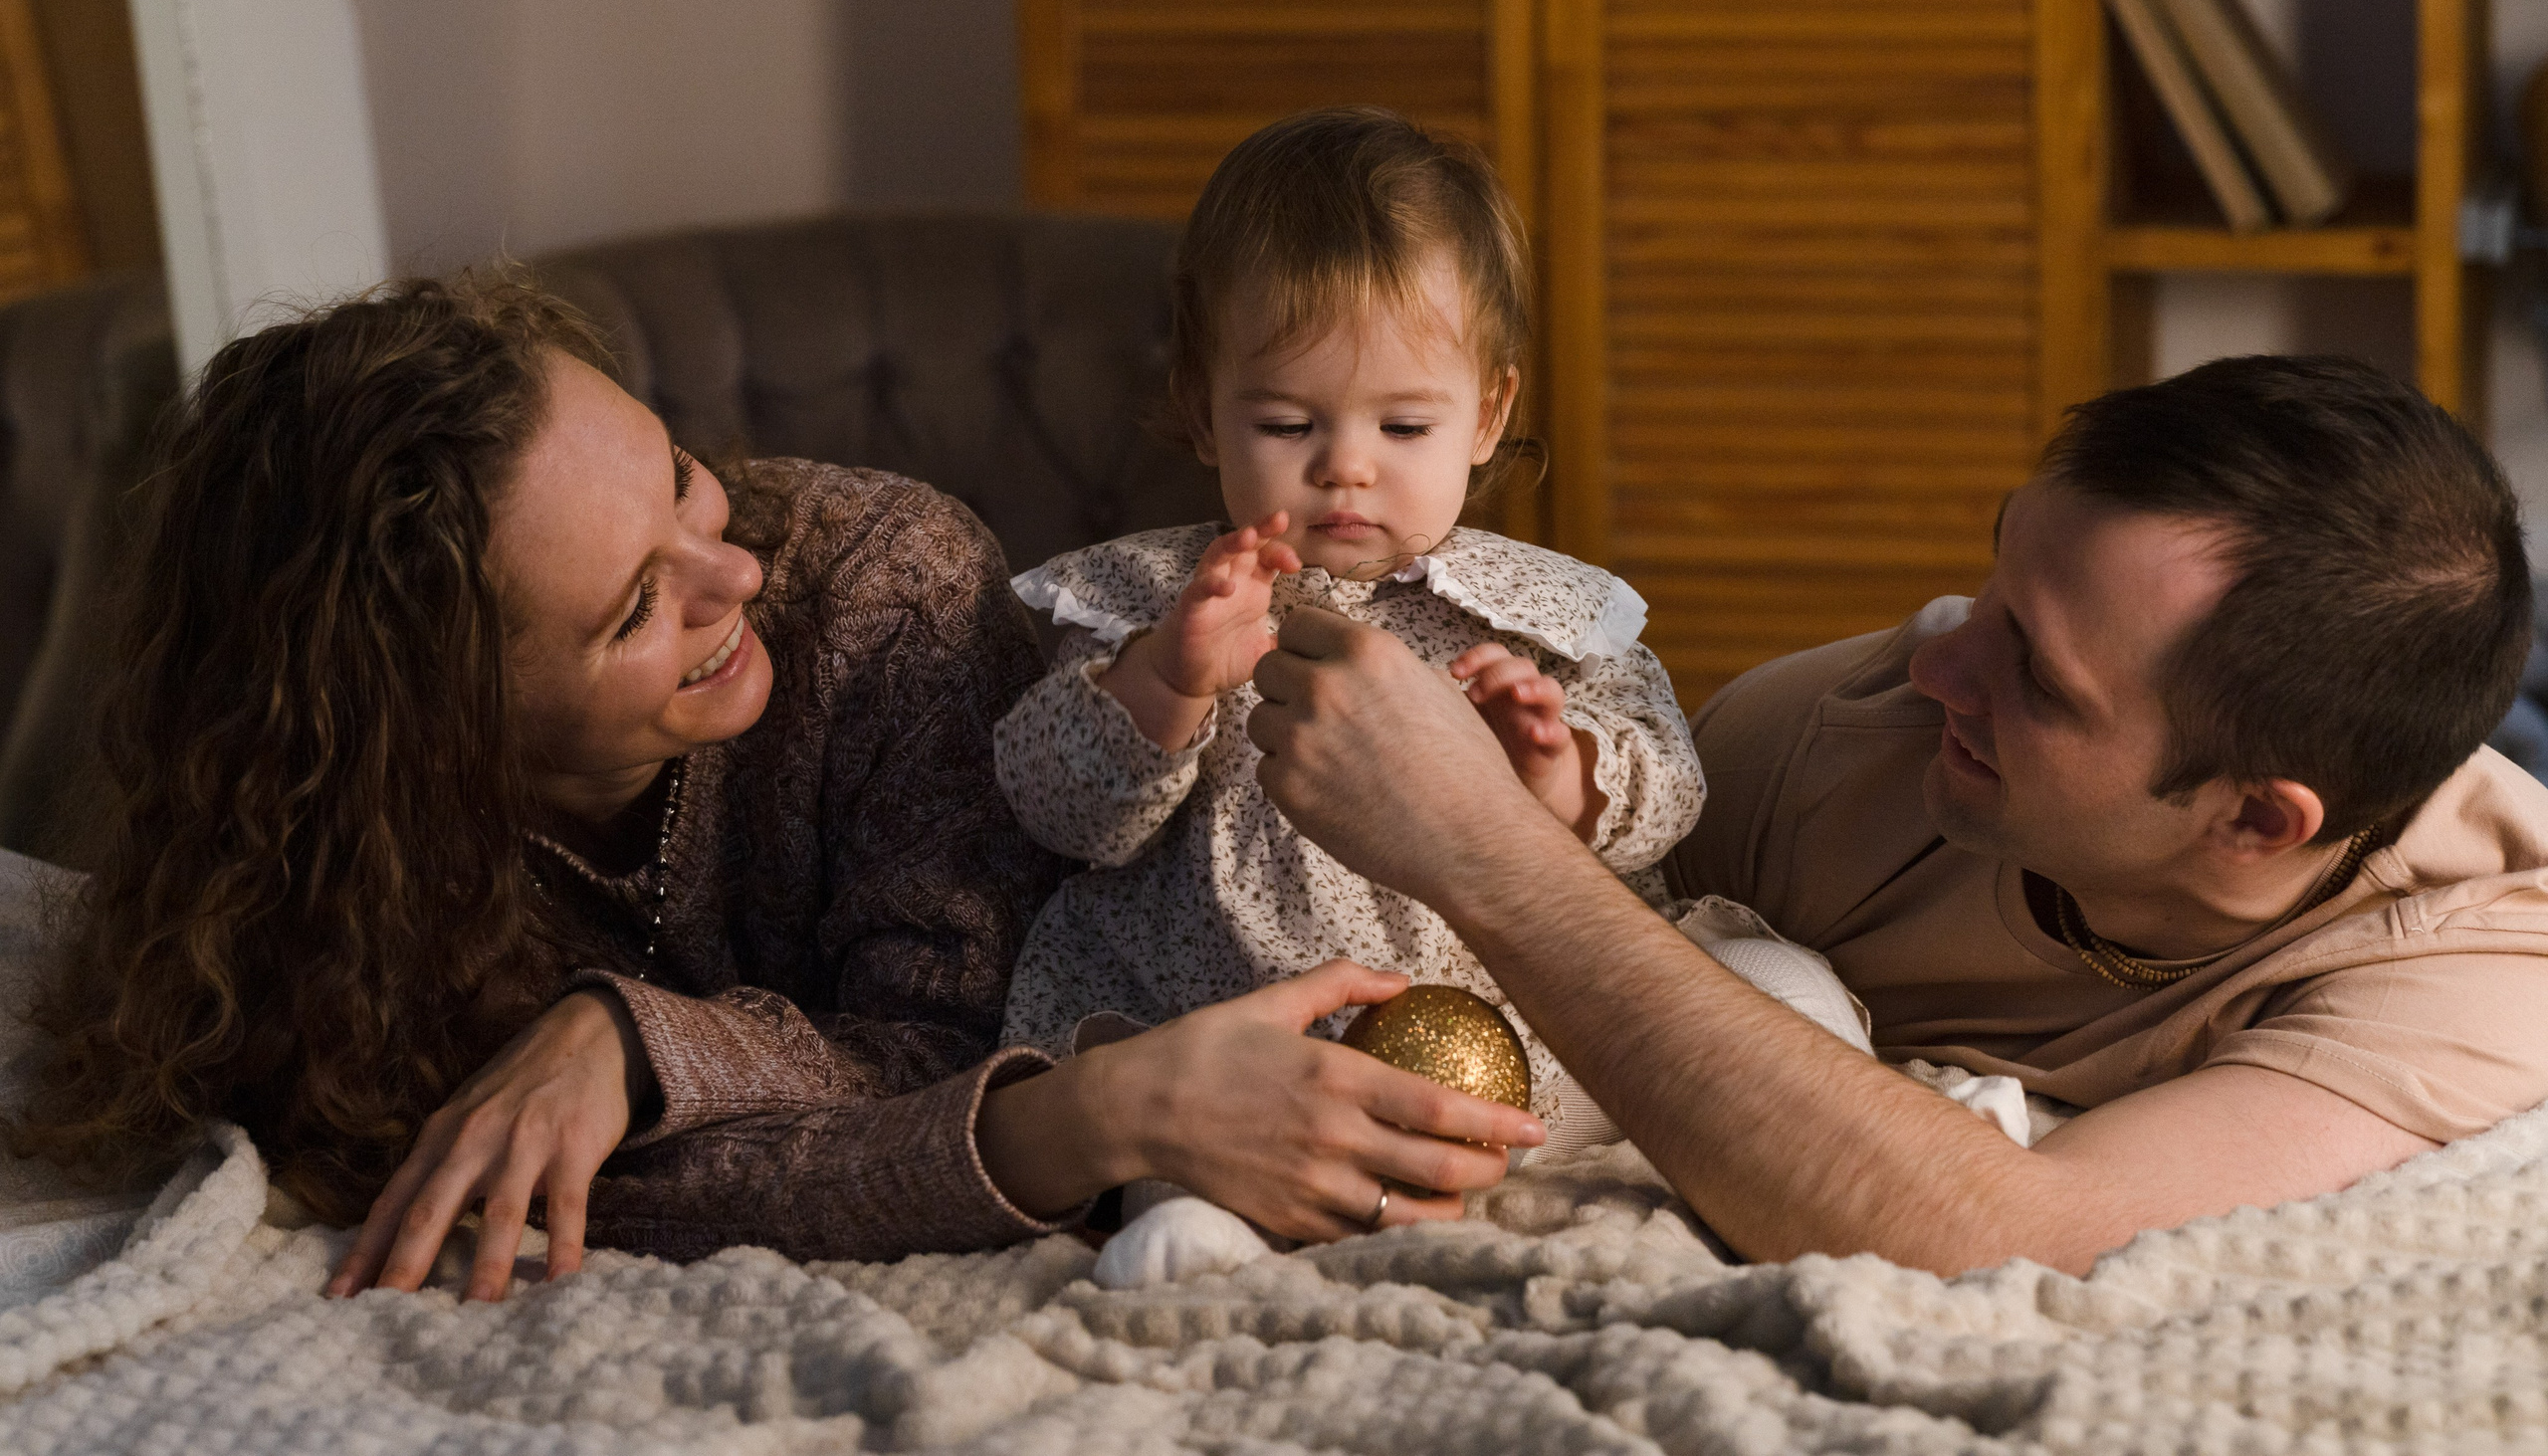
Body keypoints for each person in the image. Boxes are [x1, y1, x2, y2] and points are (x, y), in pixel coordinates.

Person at [7, 275, 1544, 1304]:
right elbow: (526, 1183)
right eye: (636, 606)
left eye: (682, 477)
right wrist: (636, 1072)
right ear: (430, 731)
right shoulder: (342, 879)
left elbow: (961, 1041)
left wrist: (634, 1037)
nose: (733, 569)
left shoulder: (879, 581)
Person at [1243, 353, 2548, 1275]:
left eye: (2037, 675)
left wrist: (1493, 851)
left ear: (2257, 822)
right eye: (1995, 581)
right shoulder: (1839, 734)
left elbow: (2022, 1234)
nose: (1940, 664)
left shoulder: (2480, 969)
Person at [994, 107, 1703, 1152]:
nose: (1346, 467)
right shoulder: (1153, 599)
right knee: (1156, 1133)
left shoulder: (1538, 614)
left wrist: (1563, 776)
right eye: (1287, 425)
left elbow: (1675, 783)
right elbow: (1050, 810)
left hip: (1498, 1018)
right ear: (1201, 409)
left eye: (1405, 426)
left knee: (1741, 1011)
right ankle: (1185, 1205)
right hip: (1216, 1026)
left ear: (1488, 415)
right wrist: (1166, 682)